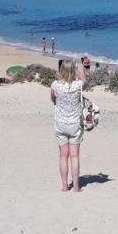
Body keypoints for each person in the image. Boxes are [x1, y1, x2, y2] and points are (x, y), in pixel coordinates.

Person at [50, 59, 89, 192]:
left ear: (61, 70)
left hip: (60, 123)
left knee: (63, 156)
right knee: (74, 156)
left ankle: (64, 186)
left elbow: (53, 99)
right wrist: (76, 68)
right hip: (75, 125)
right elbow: (85, 80)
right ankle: (76, 187)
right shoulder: (78, 85)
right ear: (73, 70)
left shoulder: (55, 85)